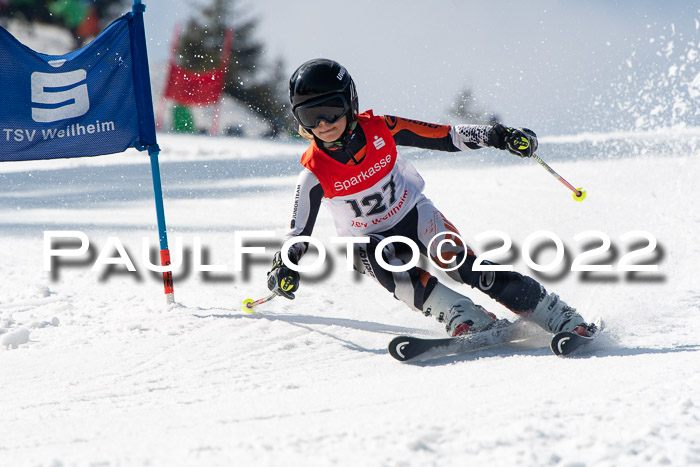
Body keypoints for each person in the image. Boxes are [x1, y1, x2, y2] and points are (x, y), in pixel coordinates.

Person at [266, 58, 597, 338]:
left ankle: (556, 314)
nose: (324, 124)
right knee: (395, 273)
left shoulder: (383, 129)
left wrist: (497, 135)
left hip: (414, 215)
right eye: (311, 116)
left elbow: (445, 137)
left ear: (350, 103)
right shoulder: (313, 173)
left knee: (464, 265)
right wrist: (285, 265)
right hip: (366, 240)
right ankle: (465, 317)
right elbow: (297, 234)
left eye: (331, 110)